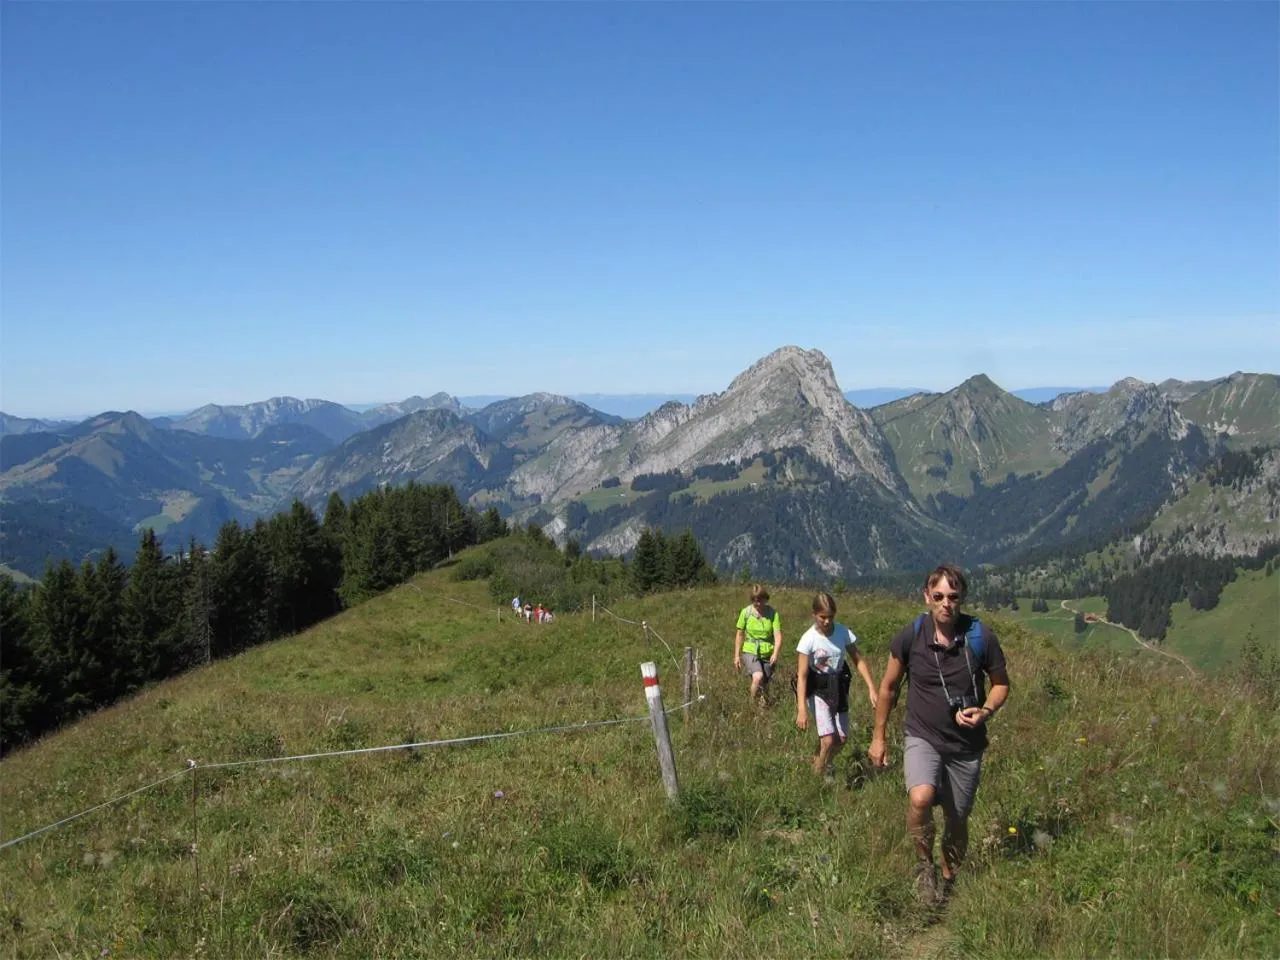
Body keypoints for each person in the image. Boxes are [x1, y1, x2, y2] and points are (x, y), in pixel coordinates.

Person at [868, 563, 1010, 905]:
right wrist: (879, 737)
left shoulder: (980, 636)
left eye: (953, 596)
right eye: (939, 596)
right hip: (923, 736)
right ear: (927, 597)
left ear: (962, 599)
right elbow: (888, 688)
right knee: (919, 798)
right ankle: (923, 867)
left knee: (957, 819)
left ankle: (948, 877)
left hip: (965, 746)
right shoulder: (912, 634)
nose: (946, 603)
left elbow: (1001, 685)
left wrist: (986, 711)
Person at [795, 591, 877, 778]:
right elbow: (802, 675)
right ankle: (819, 775)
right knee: (828, 739)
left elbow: (858, 660)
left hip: (839, 686)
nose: (826, 621)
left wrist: (871, 688)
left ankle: (822, 760)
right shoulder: (808, 639)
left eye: (830, 617)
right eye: (822, 617)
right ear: (814, 614)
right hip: (817, 689)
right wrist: (801, 708)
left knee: (841, 738)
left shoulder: (842, 632)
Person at [733, 584, 782, 706]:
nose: (758, 604)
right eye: (755, 601)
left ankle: (761, 712)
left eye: (760, 600)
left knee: (765, 685)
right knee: (758, 676)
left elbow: (778, 636)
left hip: (767, 652)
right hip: (750, 650)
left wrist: (775, 653)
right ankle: (751, 704)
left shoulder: (773, 614)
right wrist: (737, 656)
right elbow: (739, 634)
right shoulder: (746, 612)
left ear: (765, 599)